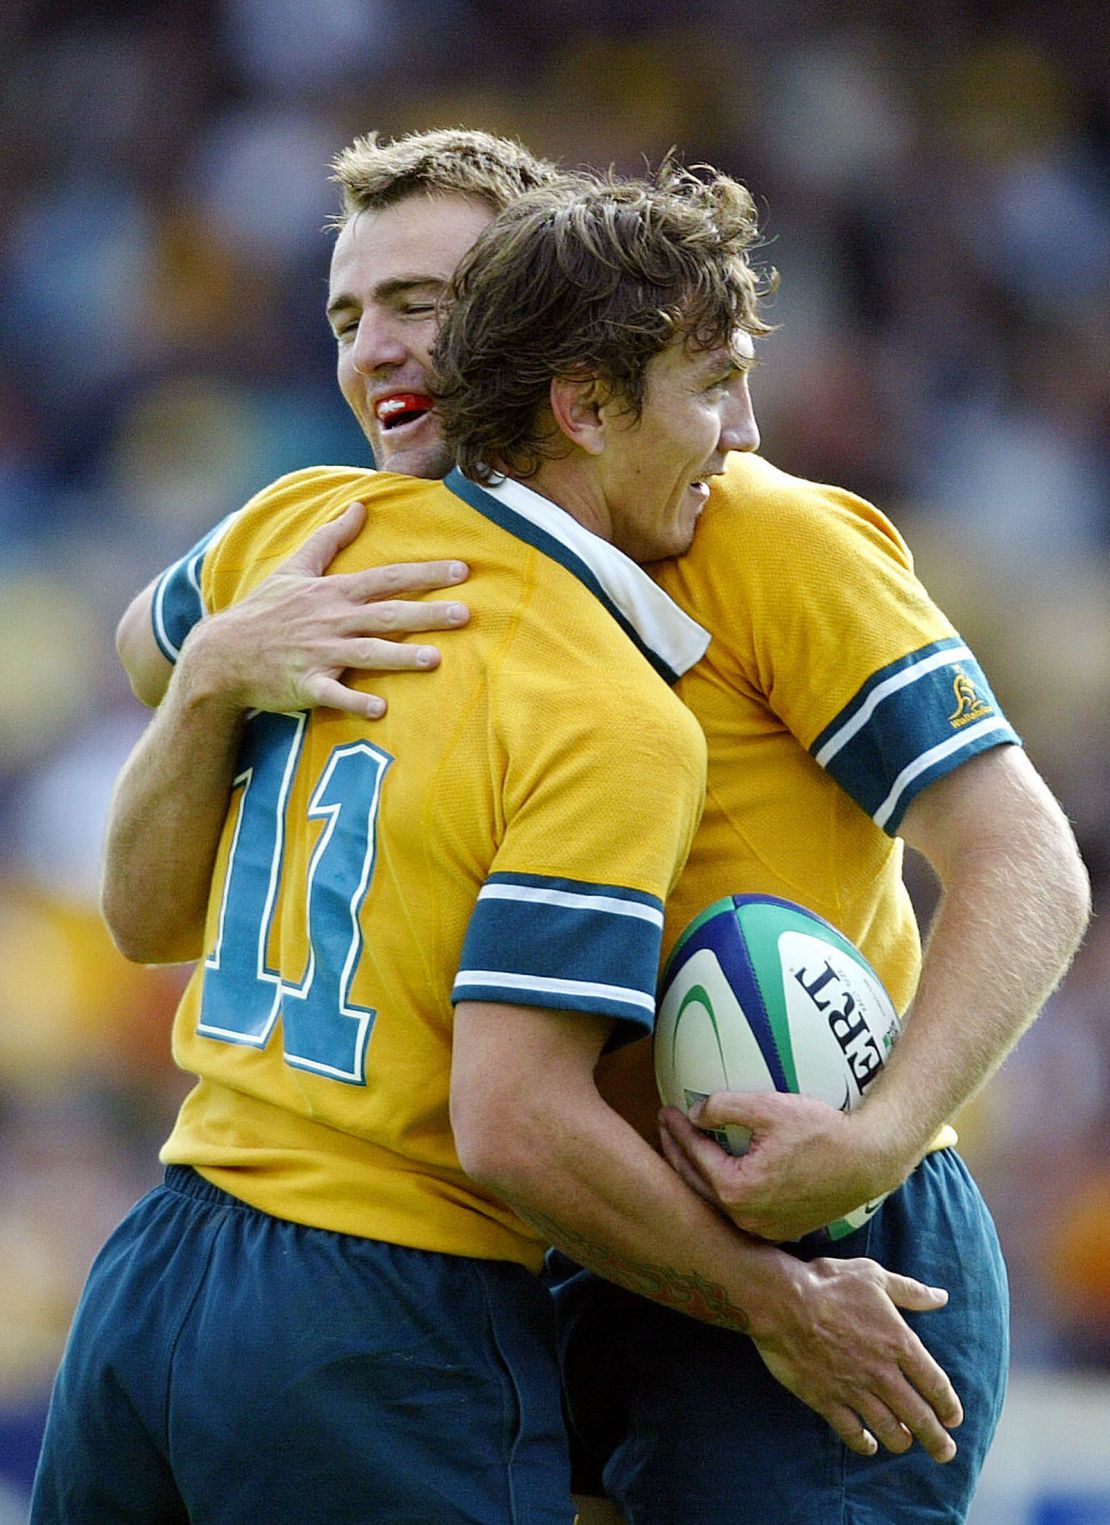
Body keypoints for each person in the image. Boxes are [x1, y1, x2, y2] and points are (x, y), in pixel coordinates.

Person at [103, 128, 1088, 1523]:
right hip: (583, 1235)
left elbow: (1026, 856)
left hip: (823, 1219)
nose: (376, 351)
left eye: (422, 304)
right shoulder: (369, 536)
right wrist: (213, 665)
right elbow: (144, 643)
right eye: (345, 313)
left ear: (543, 322)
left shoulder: (762, 534)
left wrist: (878, 1137)